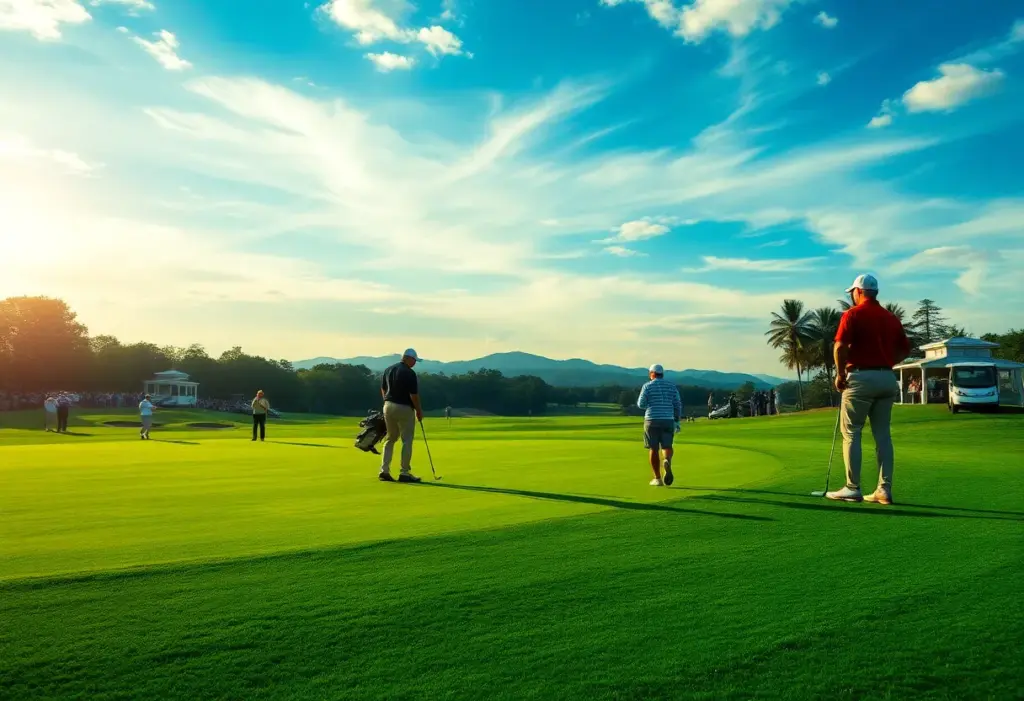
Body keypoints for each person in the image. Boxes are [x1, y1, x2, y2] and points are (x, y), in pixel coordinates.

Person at [827, 274, 911, 505]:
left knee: (852, 431)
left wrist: (840, 373)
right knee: (882, 435)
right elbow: (905, 349)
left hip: (861, 377)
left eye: (852, 292)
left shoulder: (852, 314)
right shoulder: (891, 317)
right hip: (886, 378)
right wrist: (887, 361)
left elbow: (840, 346)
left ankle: (852, 488)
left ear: (858, 292)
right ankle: (884, 489)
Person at [379, 349, 424, 483]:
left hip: (388, 405)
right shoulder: (409, 373)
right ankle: (404, 472)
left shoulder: (388, 370)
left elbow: (383, 389)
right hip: (404, 407)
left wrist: (387, 402)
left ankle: (384, 471)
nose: (415, 363)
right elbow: (413, 396)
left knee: (390, 438)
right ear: (408, 358)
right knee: (407, 439)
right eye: (414, 360)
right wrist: (419, 411)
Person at [636, 363, 683, 487]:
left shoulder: (647, 386)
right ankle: (666, 460)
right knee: (667, 446)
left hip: (651, 420)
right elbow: (677, 404)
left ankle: (657, 478)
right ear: (662, 374)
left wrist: (651, 404)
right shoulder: (671, 387)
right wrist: (677, 420)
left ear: (652, 374)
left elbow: (641, 404)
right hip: (668, 419)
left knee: (653, 448)